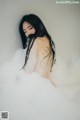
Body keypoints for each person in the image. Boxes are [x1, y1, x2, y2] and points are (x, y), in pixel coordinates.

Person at [19, 14, 56, 79]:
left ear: (38, 25)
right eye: (25, 31)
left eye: (30, 28)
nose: (28, 33)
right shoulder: (47, 39)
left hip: (37, 84)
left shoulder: (35, 41)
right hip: (47, 83)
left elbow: (29, 68)